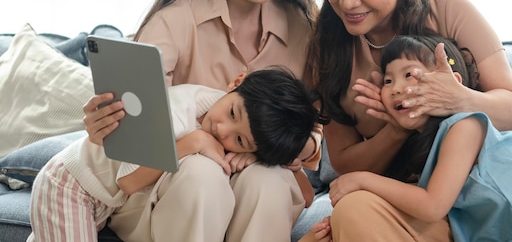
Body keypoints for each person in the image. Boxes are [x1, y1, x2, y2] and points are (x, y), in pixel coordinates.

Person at [81, 0, 322, 242]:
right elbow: (135, 136)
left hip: (258, 178)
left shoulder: (302, 26)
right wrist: (104, 122)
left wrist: (267, 147)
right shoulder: (174, 21)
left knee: (267, 180)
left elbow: (314, 134)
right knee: (202, 174)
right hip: (173, 187)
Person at [304, 0, 512, 240]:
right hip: (410, 205)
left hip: (481, 203)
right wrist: (395, 129)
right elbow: (347, 165)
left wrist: (457, 98)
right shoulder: (329, 45)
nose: (348, 0)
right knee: (345, 216)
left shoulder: (450, 11)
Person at [305, 35, 512, 242]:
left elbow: (432, 205)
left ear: (453, 84)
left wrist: (362, 179)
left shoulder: (465, 125)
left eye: (411, 75)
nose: (396, 88)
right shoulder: (429, 148)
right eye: (389, 80)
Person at [29, 67, 321, 242]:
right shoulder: (178, 108)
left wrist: (274, 160)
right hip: (72, 186)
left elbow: (305, 197)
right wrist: (190, 143)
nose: (223, 130)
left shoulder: (253, 133)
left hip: (113, 200)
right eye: (232, 113)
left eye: (240, 139)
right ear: (235, 82)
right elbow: (128, 183)